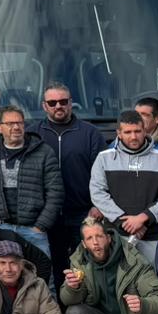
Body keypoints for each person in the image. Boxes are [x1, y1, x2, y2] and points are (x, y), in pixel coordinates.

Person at [89, 110, 158, 262]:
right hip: (116, 235)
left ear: (144, 130)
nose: (133, 136)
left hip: (154, 236)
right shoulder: (104, 158)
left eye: (137, 131)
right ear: (119, 133)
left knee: (154, 281)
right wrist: (124, 221)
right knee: (120, 283)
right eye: (128, 132)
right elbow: (98, 193)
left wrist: (144, 218)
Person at [33, 82, 104, 273]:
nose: (58, 106)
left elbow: (104, 174)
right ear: (44, 105)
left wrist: (98, 205)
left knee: (88, 265)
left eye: (63, 101)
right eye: (52, 102)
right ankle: (58, 303)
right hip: (46, 215)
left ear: (71, 103)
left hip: (83, 213)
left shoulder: (90, 134)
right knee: (52, 266)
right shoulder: (33, 134)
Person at [0, 105, 62, 260]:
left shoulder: (43, 152)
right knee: (2, 276)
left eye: (20, 123)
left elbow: (55, 191)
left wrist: (41, 225)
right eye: (10, 124)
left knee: (42, 277)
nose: (16, 127)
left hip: (33, 229)